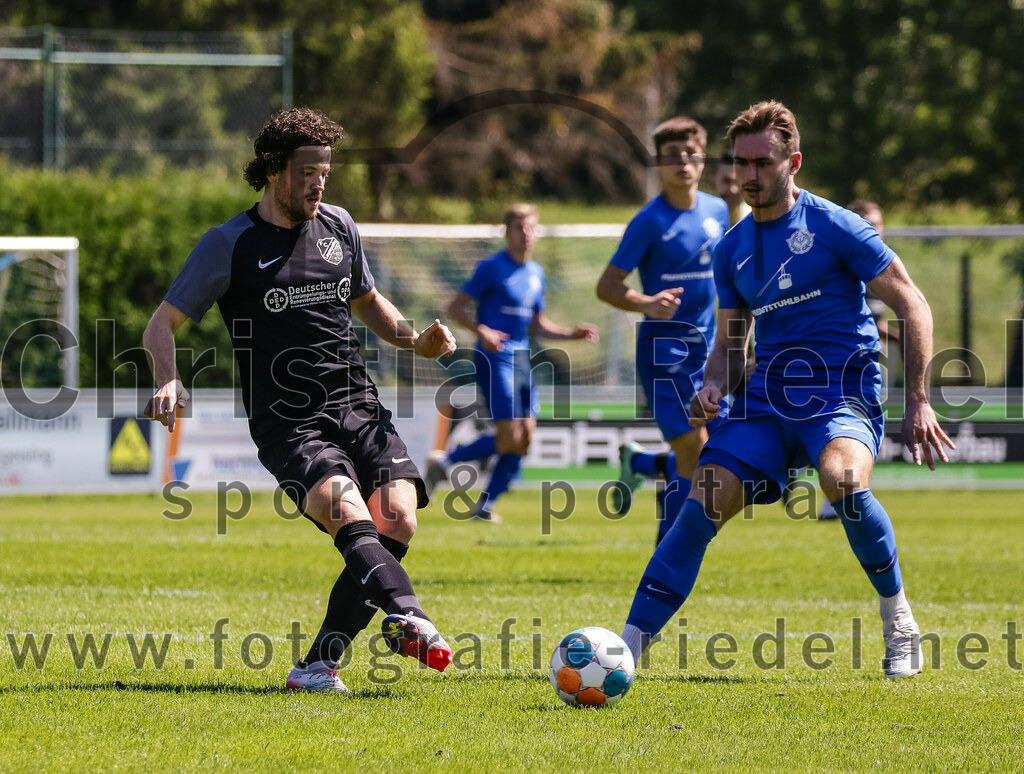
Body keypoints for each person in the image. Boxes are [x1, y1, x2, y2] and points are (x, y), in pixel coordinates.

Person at [618, 100, 954, 679]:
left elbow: (912, 302)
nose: (749, 175)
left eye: (763, 162)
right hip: (767, 398)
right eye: (741, 163)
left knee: (843, 481)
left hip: (840, 390)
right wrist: (713, 386)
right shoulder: (731, 248)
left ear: (792, 161)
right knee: (701, 502)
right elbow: (730, 340)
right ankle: (624, 649)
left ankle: (899, 622)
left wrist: (919, 398)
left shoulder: (837, 225)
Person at [142, 108, 458, 693]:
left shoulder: (339, 226)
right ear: (272, 171)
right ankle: (409, 614)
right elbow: (161, 324)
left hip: (358, 404)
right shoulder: (228, 245)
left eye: (325, 172)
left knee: (399, 519)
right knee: (347, 513)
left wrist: (416, 340)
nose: (319, 183)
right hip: (288, 421)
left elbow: (368, 303)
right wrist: (167, 377)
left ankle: (316, 667)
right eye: (308, 171)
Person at [595, 117, 730, 543]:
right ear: (658, 163)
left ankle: (642, 467)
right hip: (664, 355)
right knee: (693, 449)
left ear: (703, 159)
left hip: (712, 353)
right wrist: (647, 304)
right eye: (672, 157)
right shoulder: (649, 221)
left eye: (690, 155)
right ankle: (669, 550)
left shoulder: (718, 210)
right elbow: (608, 286)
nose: (683, 164)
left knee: (720, 451)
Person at [424, 204, 599, 522]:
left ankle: (481, 503)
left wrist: (571, 334)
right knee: (508, 436)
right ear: (507, 232)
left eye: (531, 227)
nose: (526, 233)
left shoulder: (537, 274)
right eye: (519, 227)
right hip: (494, 359)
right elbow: (456, 307)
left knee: (526, 437)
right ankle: (446, 462)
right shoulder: (492, 268)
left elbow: (536, 325)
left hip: (522, 360)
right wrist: (482, 330)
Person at [808, 199, 901, 519]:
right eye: (865, 223)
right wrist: (892, 336)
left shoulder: (880, 263)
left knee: (853, 434)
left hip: (862, 367)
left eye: (877, 224)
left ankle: (840, 496)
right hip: (827, 367)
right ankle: (835, 498)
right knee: (835, 432)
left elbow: (871, 318)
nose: (872, 229)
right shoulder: (841, 261)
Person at [710, 151, 752, 226]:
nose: (733, 190)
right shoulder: (702, 220)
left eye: (738, 182)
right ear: (713, 183)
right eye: (726, 181)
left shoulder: (757, 220)